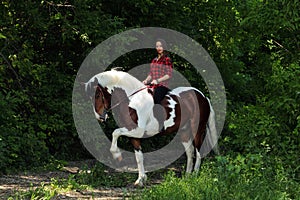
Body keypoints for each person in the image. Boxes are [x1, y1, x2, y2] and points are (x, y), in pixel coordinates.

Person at [143, 39, 173, 104]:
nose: (158, 48)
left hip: (162, 86)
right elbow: (151, 73)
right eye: (157, 46)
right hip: (153, 85)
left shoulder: (166, 59)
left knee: (156, 99)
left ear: (164, 47)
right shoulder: (154, 60)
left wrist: (157, 81)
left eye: (160, 46)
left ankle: (158, 114)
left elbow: (168, 75)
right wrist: (146, 80)